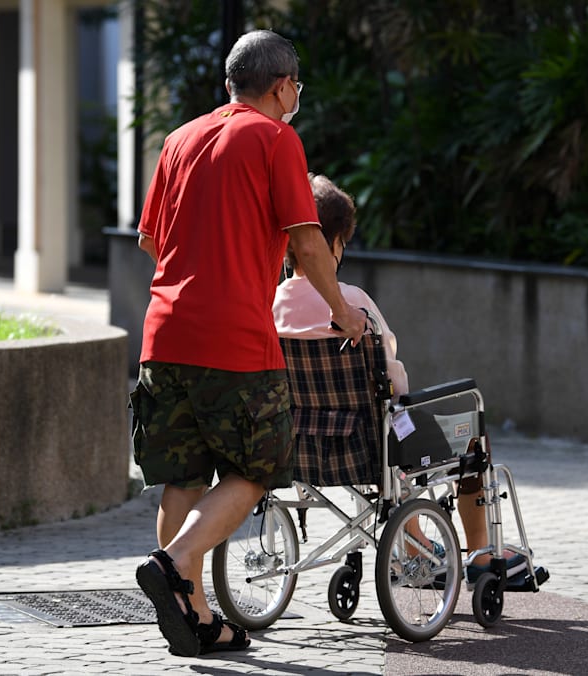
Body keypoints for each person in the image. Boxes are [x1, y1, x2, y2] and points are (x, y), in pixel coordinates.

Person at [130, 30, 367, 658]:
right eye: (297, 85)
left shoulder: (179, 139)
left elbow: (151, 242)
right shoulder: (275, 138)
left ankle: (198, 619)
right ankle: (175, 565)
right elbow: (308, 241)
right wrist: (342, 312)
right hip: (233, 340)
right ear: (283, 86)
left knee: (181, 477)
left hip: (163, 333)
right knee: (258, 469)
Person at [272, 173, 524, 582]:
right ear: (332, 243)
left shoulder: (273, 304)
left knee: (400, 436)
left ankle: (413, 542)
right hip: (375, 439)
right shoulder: (351, 303)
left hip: (301, 441)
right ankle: (479, 552)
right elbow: (390, 369)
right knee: (469, 431)